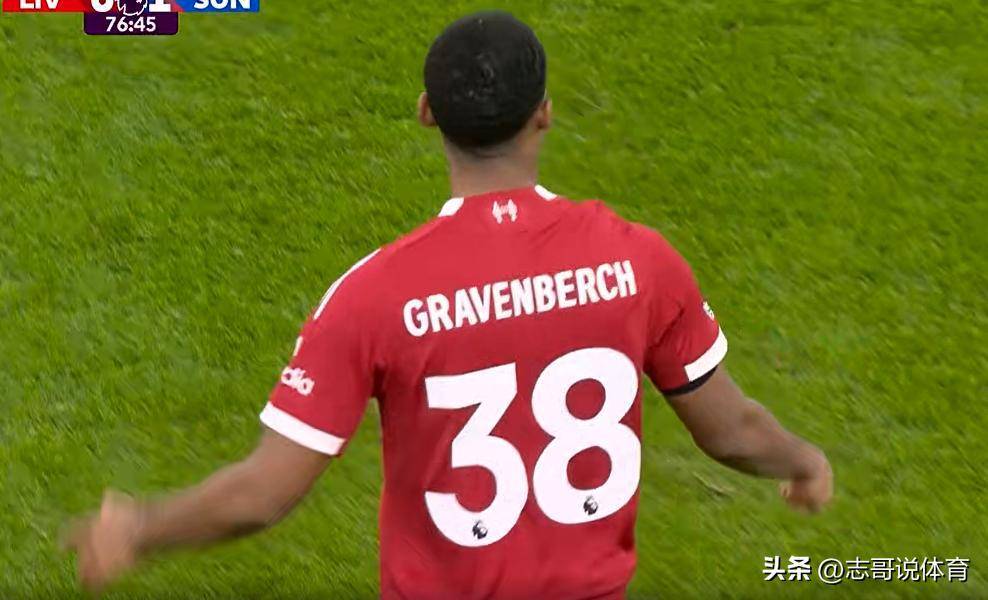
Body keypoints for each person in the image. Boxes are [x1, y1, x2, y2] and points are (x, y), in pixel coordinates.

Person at [65, 10, 832, 599]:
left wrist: (139, 528)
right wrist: (804, 461)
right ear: (544, 112)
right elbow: (730, 430)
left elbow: (264, 494)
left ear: (427, 111)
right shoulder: (640, 261)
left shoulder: (373, 295)